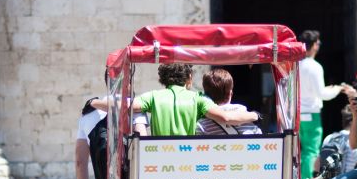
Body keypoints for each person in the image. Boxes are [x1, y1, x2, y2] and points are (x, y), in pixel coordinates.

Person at [92, 63, 259, 132]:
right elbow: (226, 117)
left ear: (163, 79)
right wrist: (255, 115)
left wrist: (94, 102)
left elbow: (122, 105)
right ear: (188, 78)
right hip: (188, 161)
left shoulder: (153, 97)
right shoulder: (198, 99)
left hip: (159, 161)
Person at [297, 30, 343, 179]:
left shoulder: (296, 65)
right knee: (311, 150)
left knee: (303, 152)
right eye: (318, 42)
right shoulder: (314, 66)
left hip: (299, 114)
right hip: (312, 114)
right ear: (314, 45)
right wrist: (338, 89)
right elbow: (322, 94)